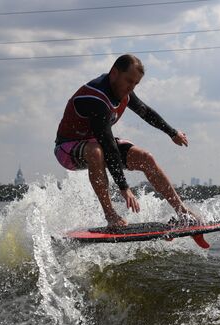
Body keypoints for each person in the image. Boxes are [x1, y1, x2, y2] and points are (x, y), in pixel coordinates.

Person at [54, 54, 199, 227]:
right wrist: (124, 188)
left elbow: (145, 112)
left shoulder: (124, 92)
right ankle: (111, 216)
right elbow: (107, 144)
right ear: (114, 73)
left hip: (97, 143)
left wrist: (172, 132)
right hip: (67, 148)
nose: (131, 88)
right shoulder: (96, 97)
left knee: (146, 158)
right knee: (96, 151)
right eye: (129, 81)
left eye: (136, 84)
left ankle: (182, 211)